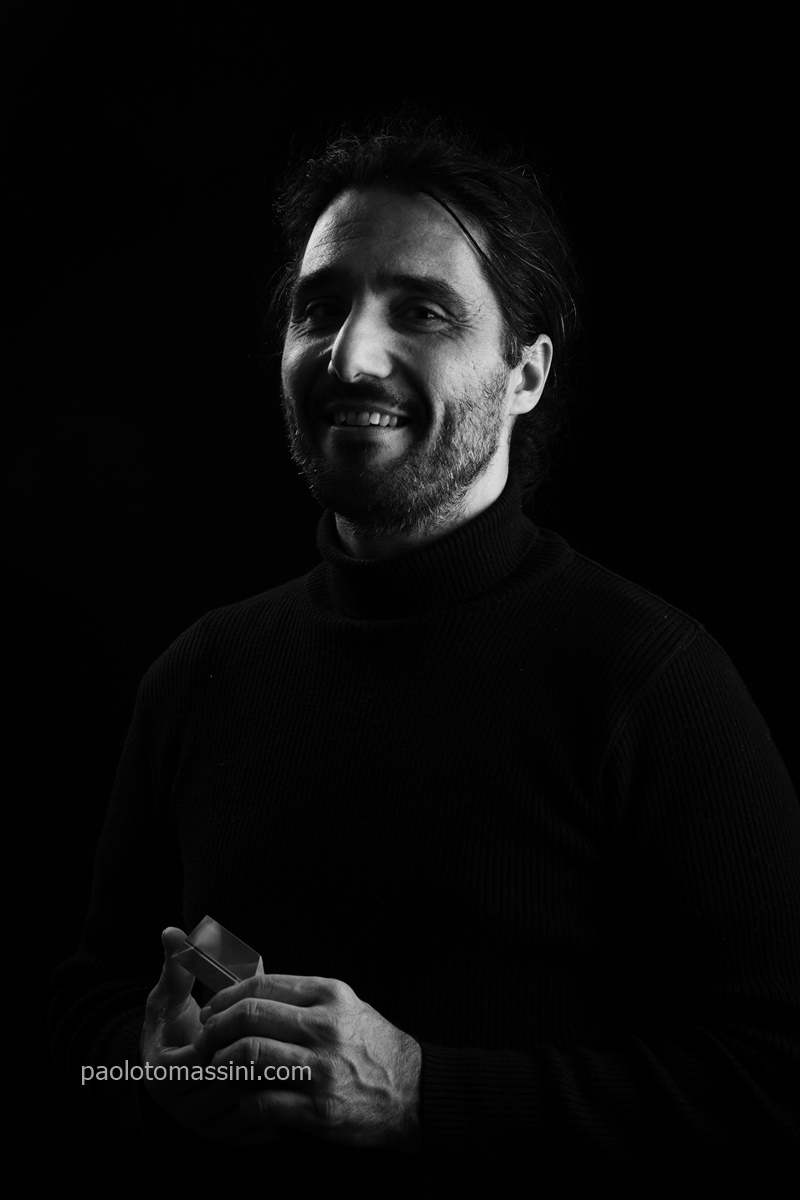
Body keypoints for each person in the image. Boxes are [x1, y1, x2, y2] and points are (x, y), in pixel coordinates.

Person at [50, 117, 800, 1192]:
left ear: (524, 373)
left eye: (423, 310)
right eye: (320, 308)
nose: (350, 356)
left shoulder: (653, 682)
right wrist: (142, 1079)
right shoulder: (198, 674)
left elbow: (769, 1087)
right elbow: (84, 1021)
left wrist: (417, 1094)